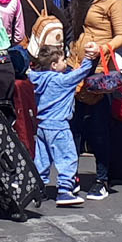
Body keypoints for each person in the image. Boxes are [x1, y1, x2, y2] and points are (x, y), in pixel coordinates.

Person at [28, 42, 95, 206]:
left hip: (42, 126)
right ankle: (65, 190)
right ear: (54, 65)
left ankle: (38, 186)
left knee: (42, 159)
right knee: (68, 157)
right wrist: (89, 58)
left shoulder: (36, 79)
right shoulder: (62, 81)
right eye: (63, 60)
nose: (66, 63)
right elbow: (82, 73)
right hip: (59, 126)